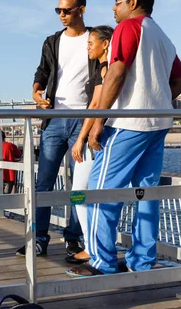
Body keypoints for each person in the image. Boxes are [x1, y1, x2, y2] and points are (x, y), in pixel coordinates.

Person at [67, 0, 181, 277]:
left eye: (117, 1)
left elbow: (117, 72)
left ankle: (101, 262)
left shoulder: (128, 27)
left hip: (127, 124)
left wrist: (99, 122)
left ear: (132, 3)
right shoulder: (162, 36)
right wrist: (156, 99)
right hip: (158, 125)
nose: (113, 7)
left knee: (100, 192)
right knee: (146, 195)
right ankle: (143, 261)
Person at [20, 0, 100, 258]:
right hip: (53, 119)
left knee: (81, 187)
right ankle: (39, 238)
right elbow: (42, 71)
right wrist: (36, 92)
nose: (62, 15)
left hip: (84, 120)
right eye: (58, 11)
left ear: (82, 10)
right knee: (44, 183)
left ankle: (74, 238)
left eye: (66, 10)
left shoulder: (95, 38)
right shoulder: (52, 41)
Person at [66, 26, 113, 265]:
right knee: (90, 194)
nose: (88, 47)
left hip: (94, 139)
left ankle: (92, 246)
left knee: (78, 193)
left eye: (91, 43)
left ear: (105, 44)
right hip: (100, 137)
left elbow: (95, 105)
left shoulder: (105, 69)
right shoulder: (105, 68)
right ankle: (96, 245)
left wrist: (80, 138)